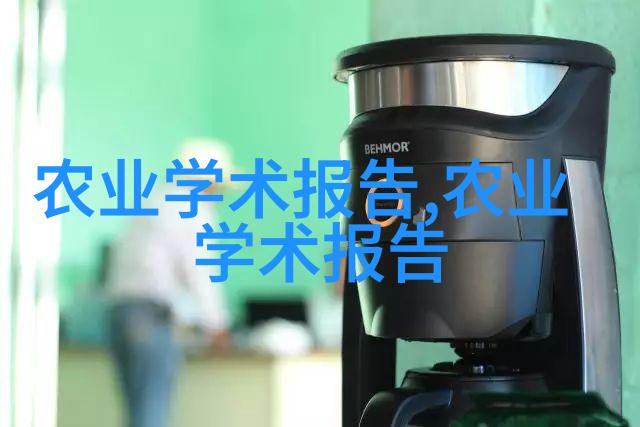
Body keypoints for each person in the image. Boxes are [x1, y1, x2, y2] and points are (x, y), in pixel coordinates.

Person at [106, 138, 234, 427]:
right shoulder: (193, 208)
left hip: (121, 314)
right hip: (152, 318)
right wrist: (217, 325)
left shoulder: (154, 200)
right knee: (151, 414)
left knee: (137, 413)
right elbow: (201, 272)